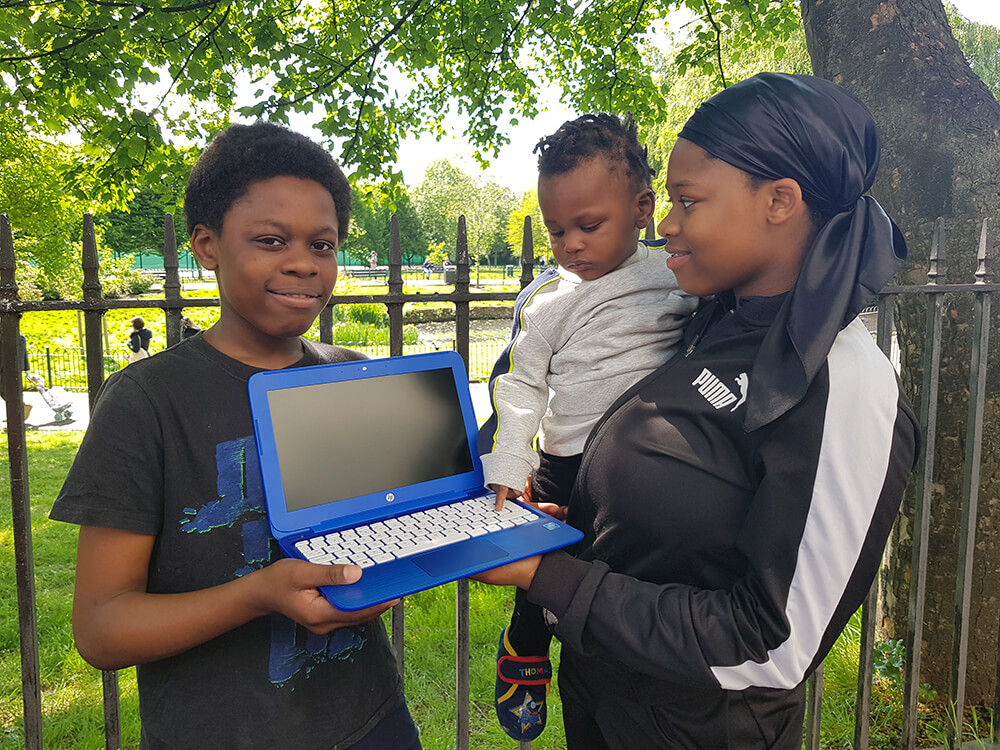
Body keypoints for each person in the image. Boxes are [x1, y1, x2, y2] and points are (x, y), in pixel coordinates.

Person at [473, 73, 920, 749]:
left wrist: (548, 577)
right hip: (602, 698)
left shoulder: (841, 381)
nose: (665, 222)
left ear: (779, 201)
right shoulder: (706, 320)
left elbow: (772, 647)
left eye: (688, 200)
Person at [49, 122, 420, 749]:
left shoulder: (351, 374)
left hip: (371, 721)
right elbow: (102, 628)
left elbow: (397, 523)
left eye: (323, 245)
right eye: (271, 240)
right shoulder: (147, 403)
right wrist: (257, 596)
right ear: (207, 245)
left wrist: (484, 513)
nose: (304, 262)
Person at [476, 113, 696, 741]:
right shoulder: (546, 300)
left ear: (643, 209)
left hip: (648, 465)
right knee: (545, 564)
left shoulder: (676, 276)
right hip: (567, 463)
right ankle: (525, 644)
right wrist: (511, 468)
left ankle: (622, 660)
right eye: (556, 230)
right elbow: (518, 386)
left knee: (621, 575)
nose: (571, 243)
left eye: (588, 225)